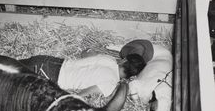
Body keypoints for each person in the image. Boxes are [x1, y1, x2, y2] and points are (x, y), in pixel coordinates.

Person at [19, 40, 152, 97]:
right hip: (50, 76)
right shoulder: (110, 85)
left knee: (7, 65)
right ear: (132, 76)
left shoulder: (109, 60)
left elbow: (84, 54)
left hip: (50, 61)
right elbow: (82, 94)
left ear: (124, 60)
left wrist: (91, 51)